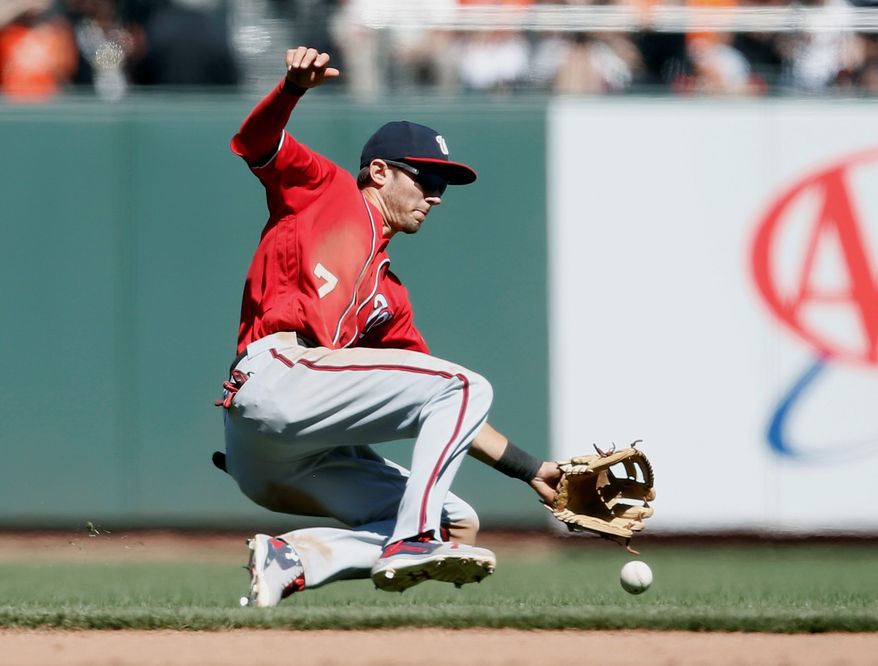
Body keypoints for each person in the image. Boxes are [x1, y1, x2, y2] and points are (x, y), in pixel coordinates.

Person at [218, 46, 561, 607]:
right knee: (466, 384)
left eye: (443, 187)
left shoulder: (389, 296)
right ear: (378, 172)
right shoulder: (327, 191)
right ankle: (412, 540)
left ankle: (294, 559)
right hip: (273, 378)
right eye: (425, 177)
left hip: (291, 449)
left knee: (457, 521)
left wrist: (533, 469)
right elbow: (254, 143)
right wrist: (291, 89)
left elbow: (445, 405)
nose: (434, 195)